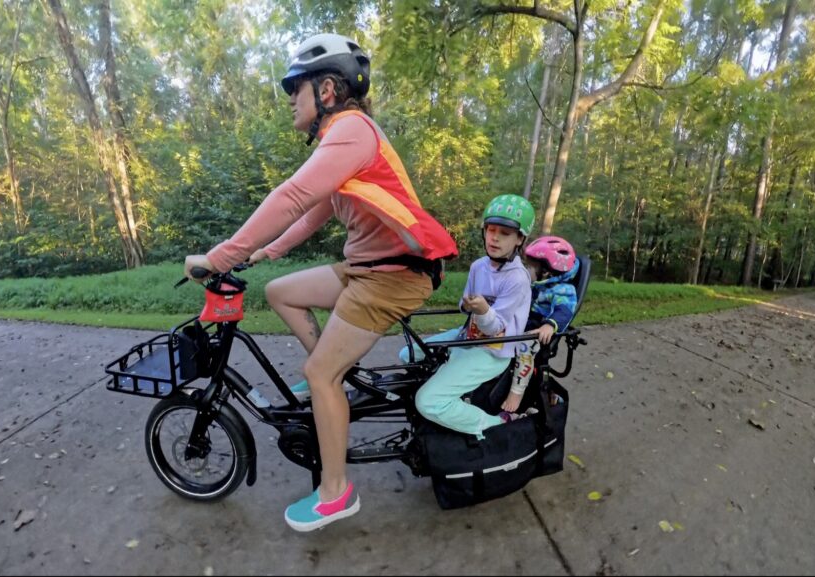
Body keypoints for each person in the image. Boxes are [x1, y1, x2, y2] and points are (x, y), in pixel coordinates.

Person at [183, 33, 457, 532]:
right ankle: (330, 375)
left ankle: (336, 492)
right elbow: (312, 212)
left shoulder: (353, 131)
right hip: (365, 270)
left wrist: (222, 256)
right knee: (280, 291)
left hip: (394, 278)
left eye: (296, 88)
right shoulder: (342, 143)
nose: (291, 99)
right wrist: (270, 251)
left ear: (327, 90)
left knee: (320, 376)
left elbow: (290, 196)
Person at [413, 194, 534, 437]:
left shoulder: (517, 279)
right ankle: (451, 393)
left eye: (505, 233)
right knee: (409, 354)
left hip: (494, 351)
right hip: (469, 337)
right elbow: (464, 304)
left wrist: (483, 310)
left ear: (520, 238)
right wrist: (468, 307)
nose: (495, 237)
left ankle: (494, 424)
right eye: (491, 229)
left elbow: (495, 328)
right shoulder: (479, 266)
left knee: (427, 402)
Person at [503, 236, 579, 413]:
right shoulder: (537, 284)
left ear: (546, 272)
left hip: (538, 330)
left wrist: (550, 325)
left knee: (524, 346)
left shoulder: (563, 290)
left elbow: (564, 311)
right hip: (525, 321)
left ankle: (516, 392)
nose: (524, 269)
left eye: (528, 267)